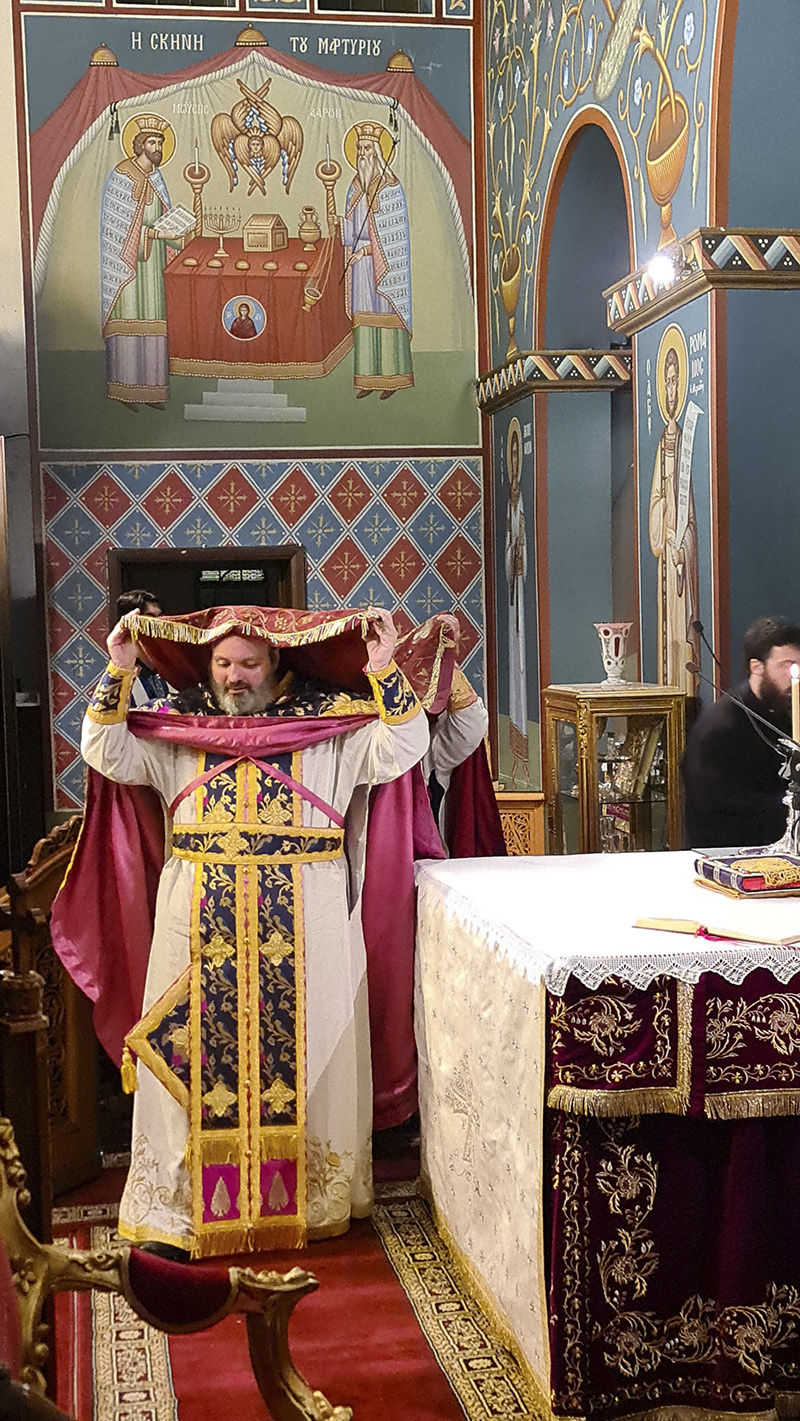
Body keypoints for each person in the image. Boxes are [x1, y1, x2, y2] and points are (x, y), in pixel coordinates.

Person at [57, 604, 429, 1259]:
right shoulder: (177, 731)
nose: (234, 676)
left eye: (248, 663)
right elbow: (106, 750)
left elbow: (403, 745)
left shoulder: (329, 731)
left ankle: (312, 1201)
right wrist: (118, 668)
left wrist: (381, 666)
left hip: (308, 920)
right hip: (197, 922)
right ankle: (179, 1208)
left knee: (314, 1056)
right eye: (223, 663)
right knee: (187, 1067)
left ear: (277, 664)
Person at [682, 615, 800, 848]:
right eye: (786, 665)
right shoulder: (718, 728)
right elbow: (721, 806)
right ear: (757, 667)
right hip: (730, 853)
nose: (794, 676)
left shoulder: (787, 711)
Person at [100, 114, 181, 409]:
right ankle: (123, 390)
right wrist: (154, 233)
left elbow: (162, 215)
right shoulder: (123, 176)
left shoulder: (156, 178)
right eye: (152, 141)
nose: (157, 146)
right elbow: (119, 228)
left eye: (159, 142)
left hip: (154, 263)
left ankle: (153, 391)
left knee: (155, 325)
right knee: (129, 325)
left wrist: (176, 232)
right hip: (128, 267)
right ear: (139, 145)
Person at [341, 122, 413, 400]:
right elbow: (351, 231)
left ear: (378, 151)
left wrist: (367, 252)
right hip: (360, 265)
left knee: (386, 319)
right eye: (359, 148)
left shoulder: (389, 187)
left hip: (384, 268)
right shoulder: (355, 185)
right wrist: (341, 226)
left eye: (367, 148)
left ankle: (393, 379)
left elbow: (393, 235)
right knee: (365, 322)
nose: (362, 153)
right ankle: (368, 379)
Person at [648, 334, 701, 695]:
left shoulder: (685, 444)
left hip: (681, 553)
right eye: (665, 380)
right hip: (665, 554)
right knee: (666, 636)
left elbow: (694, 515)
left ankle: (686, 698)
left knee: (683, 632)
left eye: (673, 380)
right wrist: (663, 519)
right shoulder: (659, 448)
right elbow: (654, 500)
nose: (669, 388)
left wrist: (683, 542)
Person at [504, 418, 530, 787]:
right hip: (513, 599)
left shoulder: (521, 502)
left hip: (521, 601)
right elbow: (511, 547)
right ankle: (518, 757)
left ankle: (525, 760)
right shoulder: (509, 500)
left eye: (514, 453)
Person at [115, 589, 170, 706]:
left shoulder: (168, 667)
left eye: (160, 616)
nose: (159, 623)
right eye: (150, 617)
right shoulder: (120, 674)